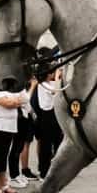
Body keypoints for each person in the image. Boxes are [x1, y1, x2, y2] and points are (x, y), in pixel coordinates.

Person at [0, 68, 28, 193]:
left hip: (10, 125)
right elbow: (8, 103)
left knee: (4, 154)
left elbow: (24, 98)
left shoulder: (8, 89)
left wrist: (15, 101)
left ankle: (4, 183)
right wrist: (15, 101)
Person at [31, 52, 64, 180]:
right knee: (46, 146)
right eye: (52, 73)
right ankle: (44, 171)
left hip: (53, 116)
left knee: (58, 143)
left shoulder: (48, 84)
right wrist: (57, 75)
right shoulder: (43, 85)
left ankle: (56, 169)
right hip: (46, 117)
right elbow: (56, 91)